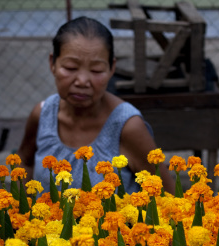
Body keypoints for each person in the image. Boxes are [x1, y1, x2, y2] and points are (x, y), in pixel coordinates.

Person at [16, 16, 174, 194]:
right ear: (52, 63)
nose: (82, 81)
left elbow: (168, 197)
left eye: (96, 70)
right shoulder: (42, 116)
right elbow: (24, 163)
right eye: (70, 67)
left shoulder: (127, 128)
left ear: (111, 68)